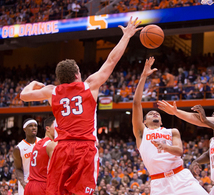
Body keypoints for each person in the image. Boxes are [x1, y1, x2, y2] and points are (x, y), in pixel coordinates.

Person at [20, 17, 142, 195]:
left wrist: (32, 83)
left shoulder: (51, 91)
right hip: (84, 149)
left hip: (61, 149)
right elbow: (111, 61)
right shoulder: (89, 85)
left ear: (60, 78)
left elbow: (23, 96)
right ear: (77, 73)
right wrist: (126, 36)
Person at [132, 57, 208, 195]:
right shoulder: (142, 132)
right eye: (150, 114)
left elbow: (179, 152)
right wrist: (143, 76)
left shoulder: (172, 131)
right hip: (159, 183)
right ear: (144, 122)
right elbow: (136, 104)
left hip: (180, 177)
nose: (155, 113)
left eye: (157, 114)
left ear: (161, 121)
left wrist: (165, 147)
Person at [24, 116, 57, 195]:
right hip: (42, 185)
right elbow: (57, 169)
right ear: (48, 128)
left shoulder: (37, 143)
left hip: (30, 186)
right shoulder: (52, 144)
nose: (58, 129)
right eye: (56, 126)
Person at [13, 118, 41, 195]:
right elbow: (18, 169)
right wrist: (23, 183)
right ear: (24, 129)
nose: (34, 127)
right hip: (27, 182)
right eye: (30, 126)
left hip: (41, 182)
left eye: (35, 126)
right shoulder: (18, 148)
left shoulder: (42, 143)